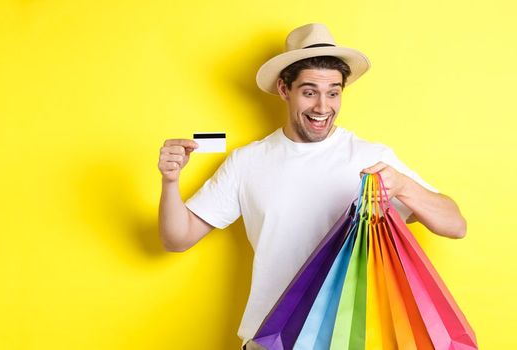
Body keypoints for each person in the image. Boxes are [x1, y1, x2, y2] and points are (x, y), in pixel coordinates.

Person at [157, 23, 467, 348]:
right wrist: (170, 182)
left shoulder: (371, 156)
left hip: (348, 341)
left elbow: (455, 225)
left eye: (333, 92)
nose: (323, 107)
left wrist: (403, 186)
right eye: (309, 92)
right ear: (283, 89)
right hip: (269, 342)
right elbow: (177, 238)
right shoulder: (247, 162)